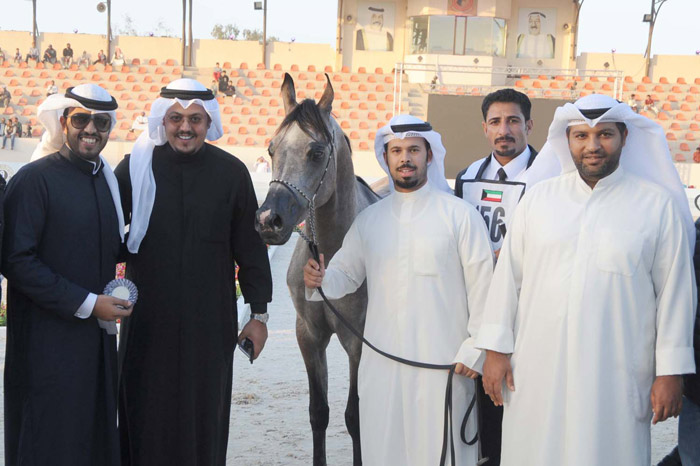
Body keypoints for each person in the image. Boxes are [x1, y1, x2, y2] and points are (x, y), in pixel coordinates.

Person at [475, 94, 696, 466]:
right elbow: (508, 281)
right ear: (567, 140)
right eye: (581, 136)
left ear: (624, 137)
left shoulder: (657, 206)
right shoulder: (537, 200)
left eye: (605, 134)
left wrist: (670, 372)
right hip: (537, 366)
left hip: (616, 371)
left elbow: (676, 295)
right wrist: (495, 351)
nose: (592, 145)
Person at [303, 114, 493, 466]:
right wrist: (320, 279)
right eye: (396, 151)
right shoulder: (369, 221)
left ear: (429, 155)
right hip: (382, 369)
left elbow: (484, 288)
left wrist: (475, 348)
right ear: (386, 157)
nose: (405, 158)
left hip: (445, 367)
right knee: (384, 451)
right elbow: (344, 275)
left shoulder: (461, 216)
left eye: (413, 150)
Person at [114, 78, 272, 465]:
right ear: (162, 121)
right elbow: (104, 229)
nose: (185, 127)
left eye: (195, 119)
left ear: (209, 122)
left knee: (205, 412)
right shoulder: (135, 168)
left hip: (209, 323)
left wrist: (259, 315)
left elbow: (250, 248)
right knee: (144, 407)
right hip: (147, 319)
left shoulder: (231, 173)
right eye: (176, 118)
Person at [3, 83, 129, 466]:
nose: (91, 129)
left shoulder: (106, 182)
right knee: (49, 442)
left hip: (96, 346)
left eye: (101, 122)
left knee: (92, 441)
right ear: (63, 122)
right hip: (46, 347)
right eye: (81, 120)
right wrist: (88, 304)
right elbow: (17, 261)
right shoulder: (34, 180)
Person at [452, 88, 536, 465]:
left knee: (522, 408)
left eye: (513, 121)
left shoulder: (549, 177)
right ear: (484, 128)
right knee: (483, 413)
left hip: (527, 311)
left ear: (529, 126)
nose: (504, 130)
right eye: (496, 122)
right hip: (479, 310)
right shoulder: (467, 176)